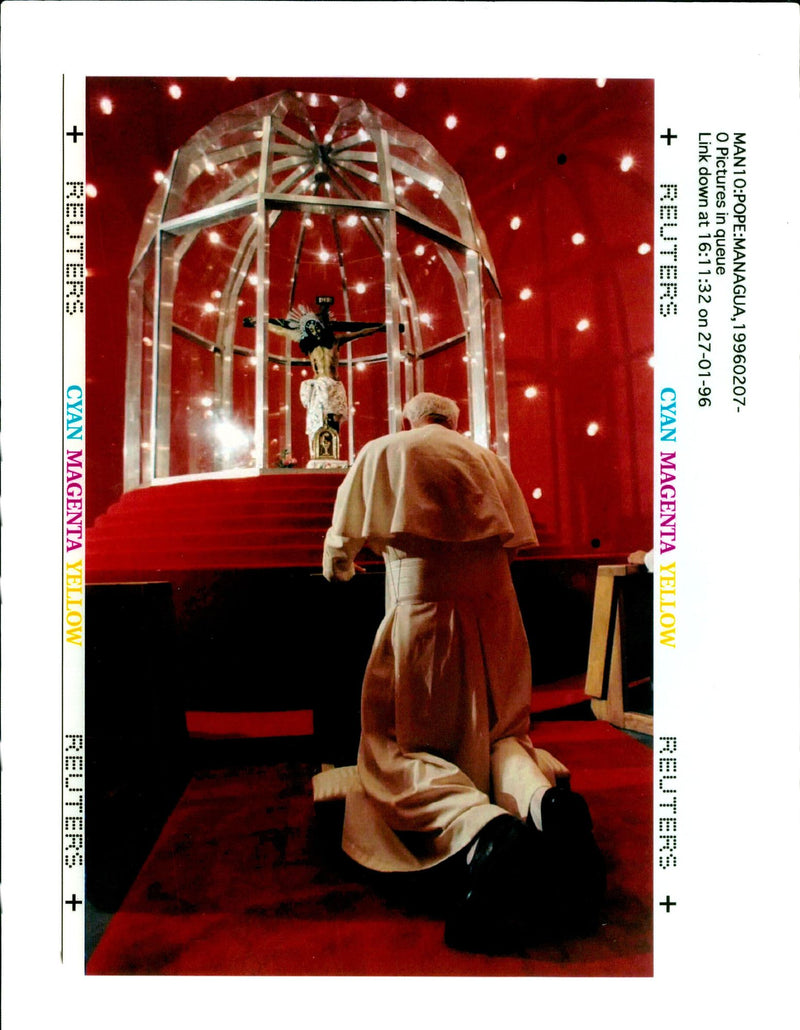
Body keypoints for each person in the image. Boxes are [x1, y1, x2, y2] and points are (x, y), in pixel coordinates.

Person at [322, 393, 605, 952]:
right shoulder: (487, 460)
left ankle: (484, 831)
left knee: (395, 751)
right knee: (503, 736)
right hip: (499, 615)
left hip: (425, 613)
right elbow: (515, 544)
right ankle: (545, 808)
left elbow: (339, 557)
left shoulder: (383, 450)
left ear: (410, 418)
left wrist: (346, 562)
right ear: (454, 421)